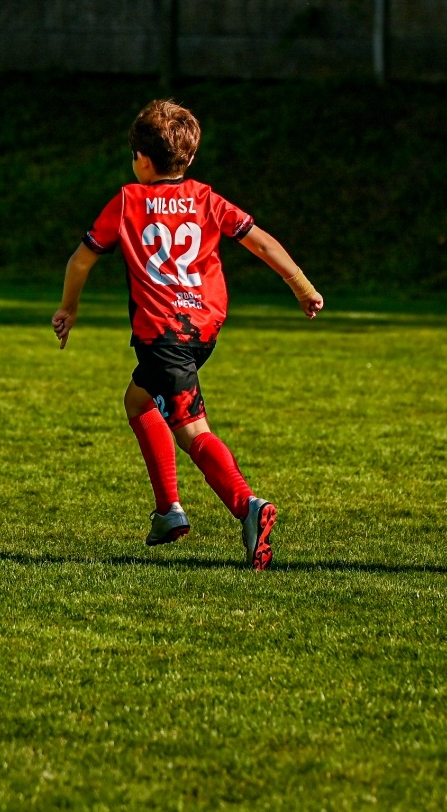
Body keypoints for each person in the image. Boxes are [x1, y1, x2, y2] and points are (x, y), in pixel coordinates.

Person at [52, 99, 324, 570]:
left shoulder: (127, 201)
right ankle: (168, 512)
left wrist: (69, 309)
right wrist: (301, 286)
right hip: (202, 329)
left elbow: (80, 260)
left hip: (163, 334)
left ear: (141, 158)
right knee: (137, 401)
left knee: (193, 430)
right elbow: (261, 241)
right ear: (190, 157)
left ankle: (248, 506)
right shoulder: (206, 198)